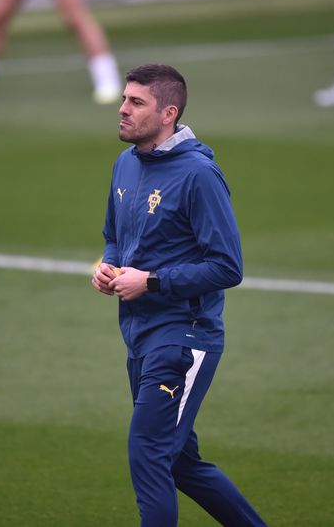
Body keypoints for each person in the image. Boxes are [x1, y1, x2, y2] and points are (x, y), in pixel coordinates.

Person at [92, 64, 266, 527]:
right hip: (139, 335)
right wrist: (108, 266)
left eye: (136, 102)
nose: (123, 109)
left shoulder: (199, 175)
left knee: (148, 453)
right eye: (124, 99)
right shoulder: (126, 163)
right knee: (181, 463)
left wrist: (150, 281)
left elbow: (227, 266)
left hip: (183, 339)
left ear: (168, 114)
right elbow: (115, 235)